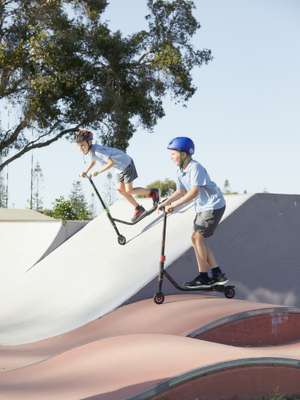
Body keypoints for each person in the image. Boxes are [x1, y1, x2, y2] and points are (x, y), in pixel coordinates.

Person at [158, 136, 228, 288]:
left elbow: (194, 192)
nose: (171, 157)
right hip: (203, 207)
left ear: (183, 154)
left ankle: (204, 276)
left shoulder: (195, 167)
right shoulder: (180, 170)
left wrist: (174, 205)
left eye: (173, 153)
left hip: (213, 205)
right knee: (196, 239)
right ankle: (217, 273)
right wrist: (165, 203)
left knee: (197, 237)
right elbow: (181, 191)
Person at [75, 128, 159, 222]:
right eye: (79, 146)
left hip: (126, 164)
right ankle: (139, 208)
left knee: (129, 190)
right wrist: (85, 171)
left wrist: (98, 172)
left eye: (82, 145)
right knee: (120, 190)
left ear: (89, 142)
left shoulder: (97, 150)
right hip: (119, 168)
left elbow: (111, 162)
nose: (81, 148)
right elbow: (93, 162)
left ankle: (153, 192)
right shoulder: (92, 151)